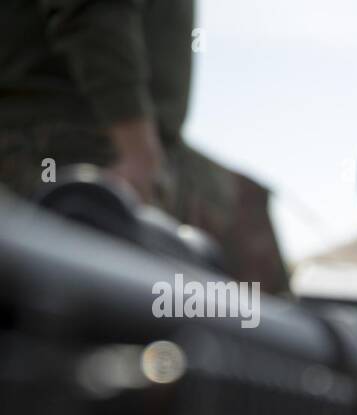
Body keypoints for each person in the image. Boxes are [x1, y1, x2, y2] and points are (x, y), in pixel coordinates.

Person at [0, 0, 289, 293]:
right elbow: (91, 9)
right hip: (69, 136)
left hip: (131, 136)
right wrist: (135, 147)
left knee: (246, 204)